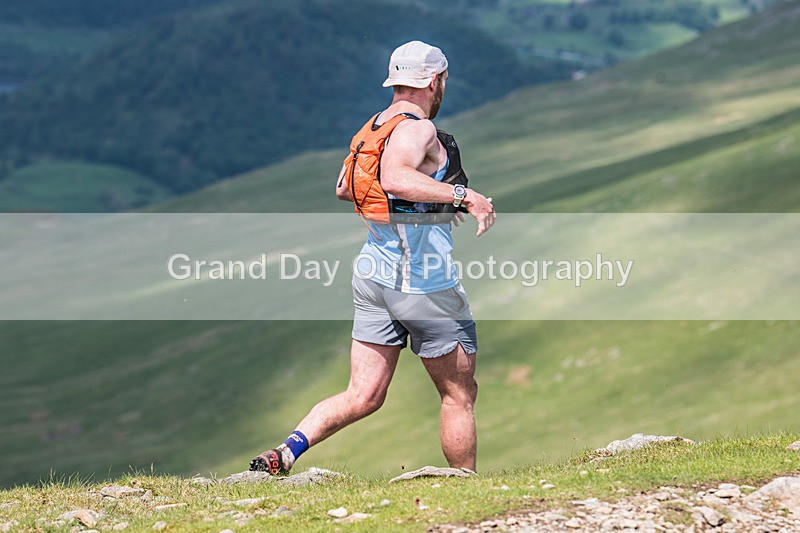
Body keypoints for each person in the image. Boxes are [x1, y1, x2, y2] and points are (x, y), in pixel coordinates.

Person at [250, 40, 496, 475]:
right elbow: (396, 178)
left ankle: (285, 453)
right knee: (458, 395)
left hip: (373, 275)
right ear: (436, 81)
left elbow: (348, 188)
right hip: (423, 283)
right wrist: (463, 195)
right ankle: (468, 490)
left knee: (364, 394)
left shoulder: (373, 128)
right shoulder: (419, 130)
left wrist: (428, 201)